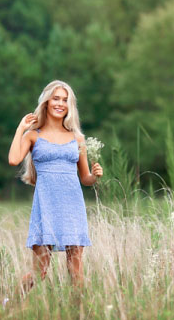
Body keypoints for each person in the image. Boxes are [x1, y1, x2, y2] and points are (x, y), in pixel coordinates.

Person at [6, 81, 103, 298]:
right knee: (39, 273)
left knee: (76, 273)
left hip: (72, 209)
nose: (60, 103)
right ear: (47, 102)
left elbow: (85, 178)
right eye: (56, 98)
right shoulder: (33, 135)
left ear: (70, 106)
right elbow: (13, 159)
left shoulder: (78, 139)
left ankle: (79, 317)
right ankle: (8, 303)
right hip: (46, 208)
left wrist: (94, 175)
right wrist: (21, 128)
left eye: (65, 100)